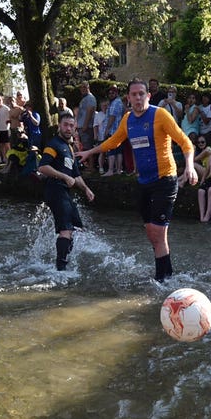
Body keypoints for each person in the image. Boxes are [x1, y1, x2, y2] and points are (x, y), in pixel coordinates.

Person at [78, 79, 198, 280]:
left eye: (141, 93)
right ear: (128, 98)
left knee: (159, 235)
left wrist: (190, 166)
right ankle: (165, 270)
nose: (138, 97)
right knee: (152, 233)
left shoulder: (160, 115)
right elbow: (113, 141)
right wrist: (90, 151)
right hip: (143, 183)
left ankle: (162, 279)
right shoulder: (127, 119)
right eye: (133, 94)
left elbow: (185, 142)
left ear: (148, 96)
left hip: (164, 180)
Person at [37, 113, 94, 270]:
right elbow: (42, 167)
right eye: (65, 125)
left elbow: (75, 174)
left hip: (64, 192)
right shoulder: (53, 145)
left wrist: (86, 189)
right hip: (55, 190)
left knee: (77, 227)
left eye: (71, 125)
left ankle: (66, 259)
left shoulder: (69, 147)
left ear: (75, 128)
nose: (68, 128)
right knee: (66, 229)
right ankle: (60, 269)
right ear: (59, 127)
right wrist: (63, 176)